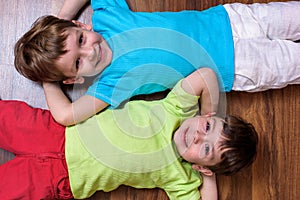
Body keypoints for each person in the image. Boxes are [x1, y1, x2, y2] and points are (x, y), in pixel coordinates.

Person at [14, 1, 300, 126]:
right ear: (72, 79)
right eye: (77, 64)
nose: (90, 52)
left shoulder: (107, 17)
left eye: (80, 40)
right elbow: (66, 116)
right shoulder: (110, 85)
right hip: (240, 65)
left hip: (230, 19)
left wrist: (62, 19)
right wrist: (48, 77)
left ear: (81, 26)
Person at [0, 69, 258, 199]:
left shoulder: (181, 178)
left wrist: (206, 176)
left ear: (203, 167)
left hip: (60, 178)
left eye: (206, 149)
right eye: (209, 128)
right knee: (6, 117)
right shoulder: (177, 108)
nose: (199, 136)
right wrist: (208, 115)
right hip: (57, 133)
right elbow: (206, 75)